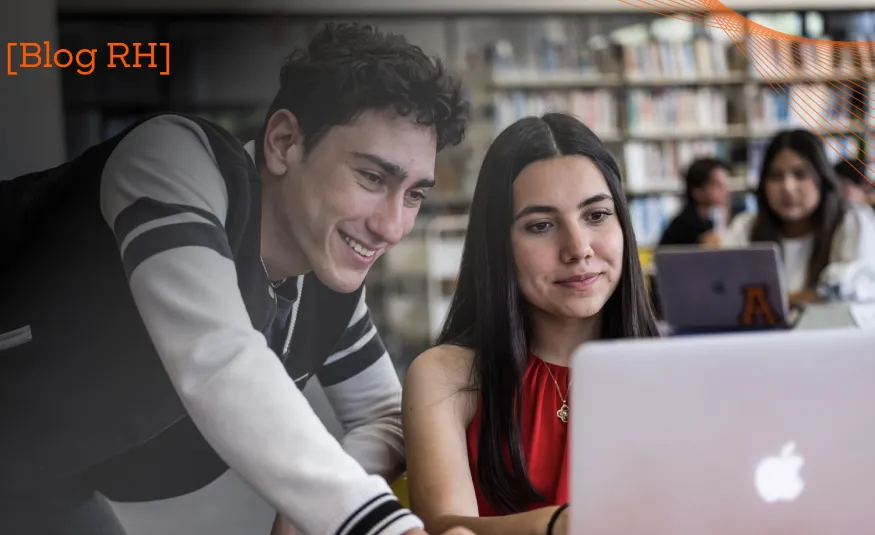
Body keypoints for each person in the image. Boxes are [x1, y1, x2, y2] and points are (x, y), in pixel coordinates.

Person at [0, 23, 472, 535]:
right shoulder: (171, 160)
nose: (392, 227)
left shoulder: (322, 282)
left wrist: (318, 503)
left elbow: (386, 415)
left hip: (42, 476)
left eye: (414, 195)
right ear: (284, 142)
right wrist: (374, 522)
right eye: (372, 177)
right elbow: (217, 355)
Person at [400, 113, 660, 535]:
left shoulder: (671, 369)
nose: (578, 248)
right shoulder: (447, 376)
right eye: (541, 225)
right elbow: (445, 528)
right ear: (498, 245)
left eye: (596, 215)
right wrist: (559, 525)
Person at [724, 130, 875, 305]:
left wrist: (774, 302)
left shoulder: (852, 222)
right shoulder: (746, 227)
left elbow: (852, 289)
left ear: (822, 177)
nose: (788, 187)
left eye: (800, 174)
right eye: (776, 176)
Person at [658, 157, 732, 247]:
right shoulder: (686, 224)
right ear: (697, 191)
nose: (725, 190)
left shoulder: (707, 219)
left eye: (725, 184)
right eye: (717, 185)